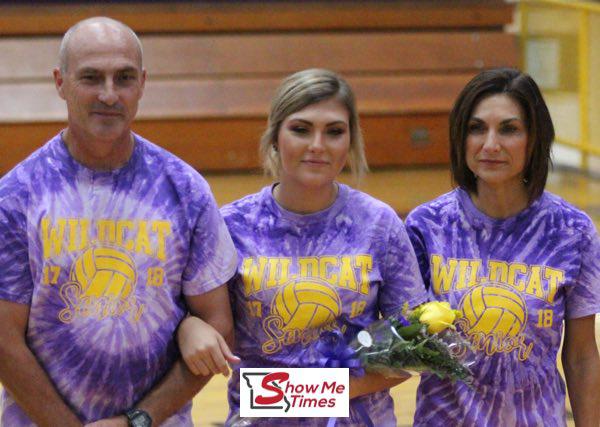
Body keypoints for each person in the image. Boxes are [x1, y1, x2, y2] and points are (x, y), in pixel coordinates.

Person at [0, 17, 237, 427]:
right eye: (91, 78)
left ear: (142, 83)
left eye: (123, 78)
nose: (109, 94)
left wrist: (137, 420)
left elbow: (218, 324)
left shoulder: (185, 188)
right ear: (60, 82)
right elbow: (4, 340)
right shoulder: (17, 195)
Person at [176, 68, 429, 426]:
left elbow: (416, 346)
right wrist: (189, 326)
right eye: (301, 129)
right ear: (275, 137)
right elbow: (203, 323)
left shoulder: (378, 223)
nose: (317, 145)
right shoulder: (231, 225)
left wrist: (316, 390)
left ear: (351, 141)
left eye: (335, 132)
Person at [405, 68, 600, 426]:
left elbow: (582, 357)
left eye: (509, 129)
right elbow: (396, 345)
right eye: (476, 128)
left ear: (534, 138)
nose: (490, 144)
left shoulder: (572, 231)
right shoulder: (425, 225)